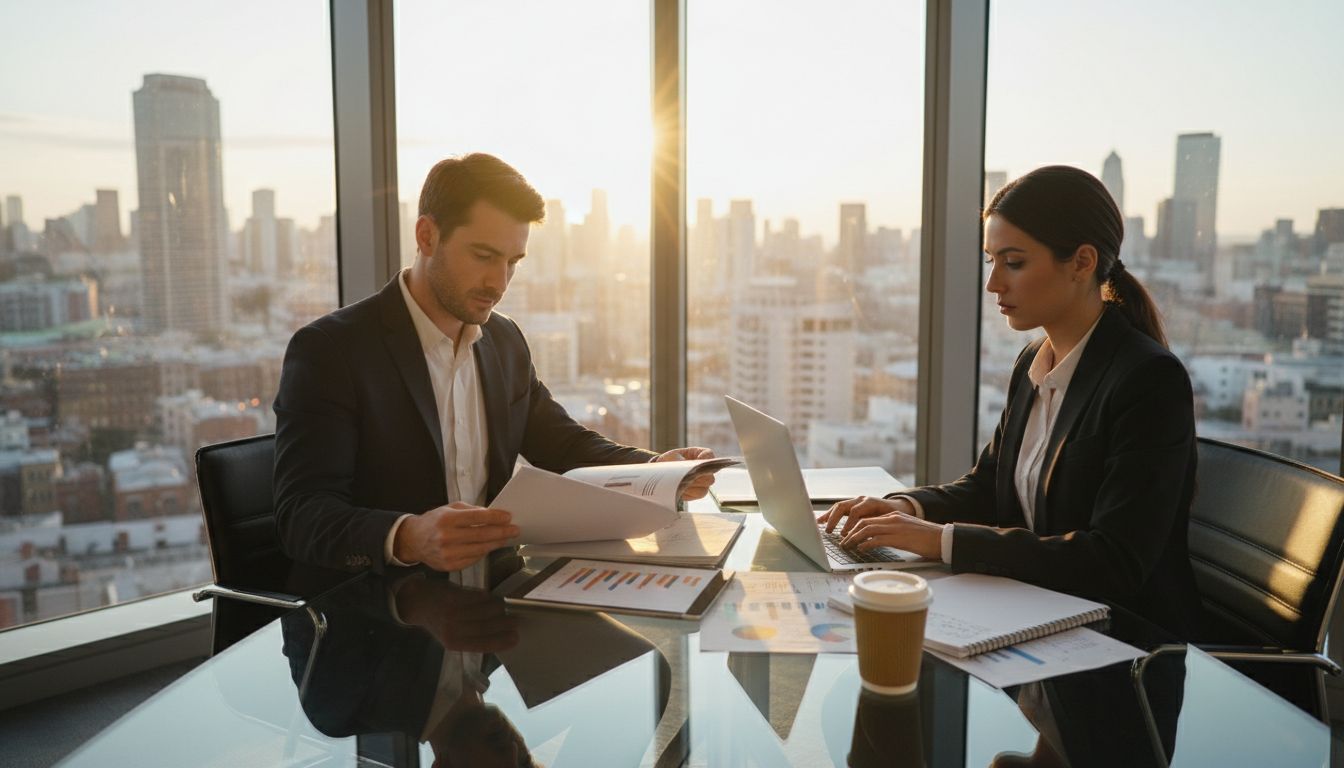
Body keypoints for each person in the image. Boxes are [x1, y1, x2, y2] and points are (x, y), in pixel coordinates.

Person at [273, 153, 714, 589]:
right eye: (483, 255)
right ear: (427, 236)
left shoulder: (504, 341)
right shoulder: (331, 350)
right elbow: (301, 515)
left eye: (513, 262)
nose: (499, 282)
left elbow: (562, 445)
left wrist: (656, 470)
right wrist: (409, 536)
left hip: (495, 600)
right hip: (379, 609)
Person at [819, 165, 1201, 638]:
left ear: (1082, 262)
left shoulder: (1147, 379)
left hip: (1121, 640)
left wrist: (941, 541)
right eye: (991, 262)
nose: (993, 284)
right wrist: (904, 508)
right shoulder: (1033, 362)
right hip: (1036, 610)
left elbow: (1114, 561)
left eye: (1014, 263)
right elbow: (988, 488)